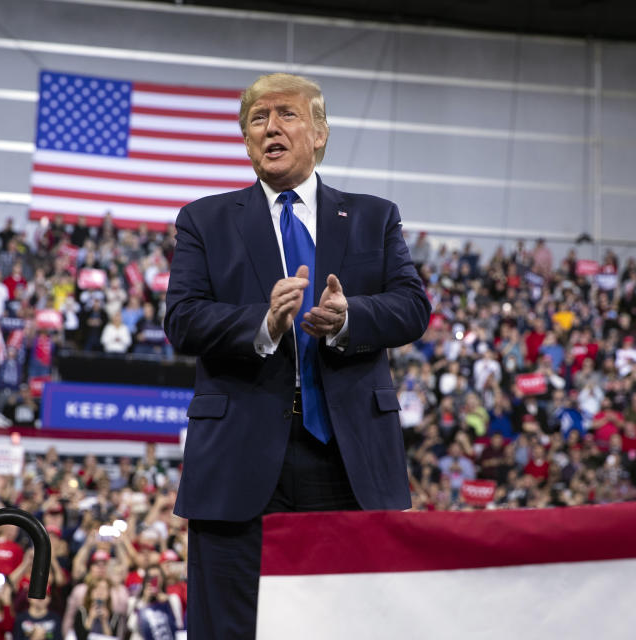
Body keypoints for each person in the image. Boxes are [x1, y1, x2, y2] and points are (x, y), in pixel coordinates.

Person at [164, 72, 429, 639]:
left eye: (286, 114)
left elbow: (411, 307)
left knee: (346, 626)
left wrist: (350, 317)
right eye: (257, 119)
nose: (271, 127)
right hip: (237, 464)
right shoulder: (205, 220)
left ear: (320, 132)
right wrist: (260, 322)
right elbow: (182, 320)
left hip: (348, 461)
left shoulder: (373, 216)